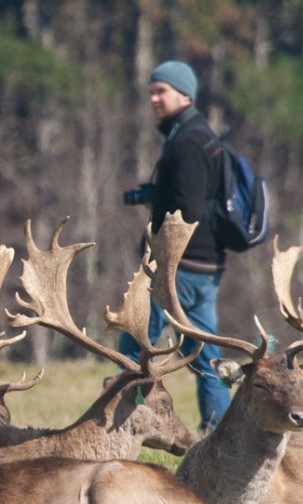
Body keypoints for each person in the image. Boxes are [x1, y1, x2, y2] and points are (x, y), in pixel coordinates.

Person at [118, 59, 230, 433]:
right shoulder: (200, 136)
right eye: (151, 91)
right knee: (206, 358)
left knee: (134, 348)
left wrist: (161, 258)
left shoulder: (187, 142)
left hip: (177, 267)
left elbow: (188, 209)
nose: (154, 98)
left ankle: (122, 428)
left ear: (185, 93)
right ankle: (220, 435)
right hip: (206, 266)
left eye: (161, 91)